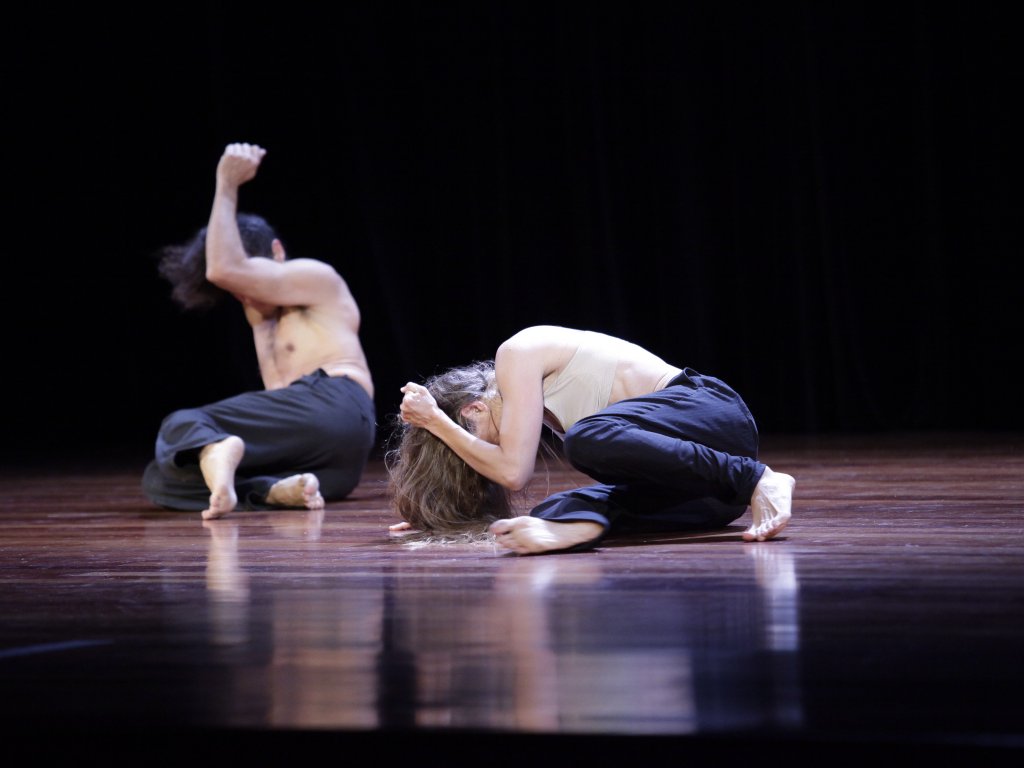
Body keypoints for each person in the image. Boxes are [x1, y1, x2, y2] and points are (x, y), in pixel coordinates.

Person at [387, 325, 794, 555]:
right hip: (713, 497)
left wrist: (436, 422)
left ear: (472, 410)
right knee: (551, 510)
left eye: (470, 441)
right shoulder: (543, 407)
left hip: (709, 412)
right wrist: (443, 516)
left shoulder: (519, 352)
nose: (481, 455)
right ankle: (583, 528)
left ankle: (759, 477)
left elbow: (512, 472)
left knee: (585, 438)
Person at [142, 142, 376, 520]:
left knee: (180, 424)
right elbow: (222, 271)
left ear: (277, 253)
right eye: (237, 292)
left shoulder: (317, 278)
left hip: (336, 402)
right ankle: (273, 490)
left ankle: (222, 449)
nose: (245, 293)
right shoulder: (259, 315)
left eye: (252, 276)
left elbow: (223, 268)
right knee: (163, 476)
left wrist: (226, 183)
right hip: (332, 467)